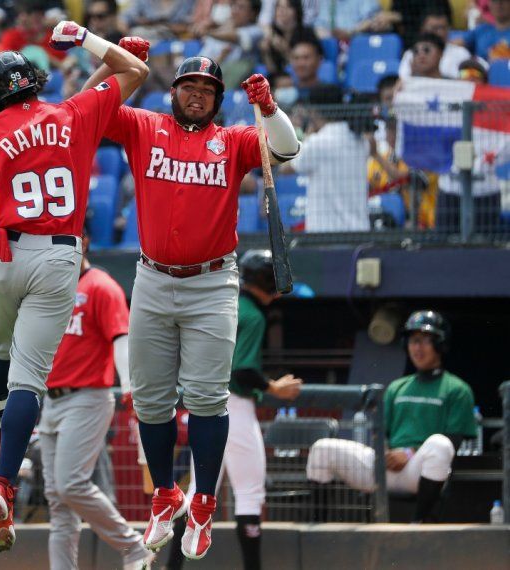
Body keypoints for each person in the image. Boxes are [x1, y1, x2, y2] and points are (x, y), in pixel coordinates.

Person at [0, 23, 148, 552]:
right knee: (30, 380)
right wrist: (90, 39)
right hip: (60, 254)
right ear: (36, 82)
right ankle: (3, 479)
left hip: (5, 250)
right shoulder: (71, 114)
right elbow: (131, 70)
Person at [83, 43, 301, 557]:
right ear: (173, 92)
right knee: (151, 399)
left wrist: (268, 109)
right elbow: (87, 107)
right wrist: (115, 61)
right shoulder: (143, 126)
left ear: (219, 99)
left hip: (210, 282)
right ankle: (166, 495)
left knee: (206, 398)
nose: (198, 96)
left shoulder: (235, 139)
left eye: (207, 90)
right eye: (189, 87)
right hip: (152, 279)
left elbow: (288, 150)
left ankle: (202, 501)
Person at [166, 250, 302, 570]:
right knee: (250, 494)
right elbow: (243, 372)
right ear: (267, 281)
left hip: (202, 405)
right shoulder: (252, 313)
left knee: (198, 494)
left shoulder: (224, 302)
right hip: (235, 407)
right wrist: (274, 388)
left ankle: (171, 567)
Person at [38, 225, 154, 570]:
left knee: (71, 484)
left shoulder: (101, 286)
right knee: (58, 502)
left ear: (83, 241)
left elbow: (121, 337)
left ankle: (134, 547)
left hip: (88, 396)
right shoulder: (46, 289)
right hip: (51, 400)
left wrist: (129, 384)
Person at [307, 310, 477, 523]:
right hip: (384, 469)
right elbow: (381, 432)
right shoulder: (397, 387)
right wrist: (386, 453)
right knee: (323, 448)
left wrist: (409, 453)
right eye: (414, 341)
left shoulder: (457, 389)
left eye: (425, 341)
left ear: (440, 345)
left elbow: (454, 440)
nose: (418, 348)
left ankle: (419, 524)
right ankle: (317, 527)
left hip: (418, 472)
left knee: (440, 444)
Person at [285, 85, 370, 232]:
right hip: (359, 232)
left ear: (313, 111)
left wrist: (308, 136)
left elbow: (287, 168)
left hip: (325, 234)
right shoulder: (360, 140)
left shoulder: (316, 142)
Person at [399, 10, 472, 80]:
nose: (440, 32)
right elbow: (403, 80)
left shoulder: (461, 53)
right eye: (435, 28)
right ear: (423, 29)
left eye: (443, 28)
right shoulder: (412, 53)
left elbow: (467, 82)